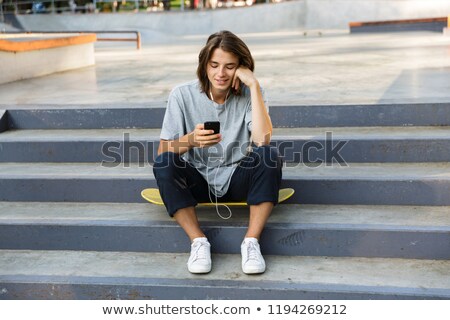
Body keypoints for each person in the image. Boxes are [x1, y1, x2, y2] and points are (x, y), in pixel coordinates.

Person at [153, 30, 282, 275]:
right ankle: (198, 242)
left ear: (242, 68)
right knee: (165, 163)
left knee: (268, 155)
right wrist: (190, 140)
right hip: (199, 180)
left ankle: (251, 242)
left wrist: (253, 86)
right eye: (214, 65)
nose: (220, 73)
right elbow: (163, 151)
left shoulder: (250, 93)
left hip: (237, 178)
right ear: (204, 65)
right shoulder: (182, 95)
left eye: (230, 66)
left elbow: (262, 139)